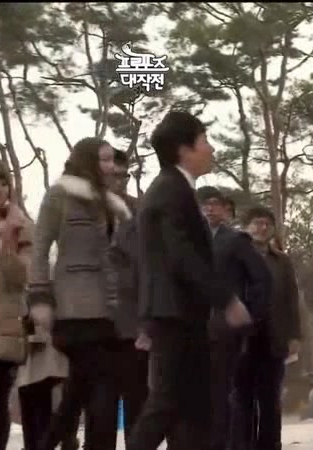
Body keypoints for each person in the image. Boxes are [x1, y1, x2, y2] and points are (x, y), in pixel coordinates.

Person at [128, 111, 251, 450]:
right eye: (204, 141)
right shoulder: (170, 190)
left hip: (182, 313)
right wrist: (225, 299)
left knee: (194, 408)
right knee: (167, 403)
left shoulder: (175, 188)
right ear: (185, 150)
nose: (211, 149)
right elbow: (181, 255)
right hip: (173, 314)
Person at [26, 137, 132, 450]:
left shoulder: (111, 203)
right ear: (86, 161)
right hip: (73, 307)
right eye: (104, 160)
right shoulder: (59, 195)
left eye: (112, 160)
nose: (110, 166)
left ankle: (47, 444)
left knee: (80, 389)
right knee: (101, 387)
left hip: (109, 309)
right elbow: (40, 249)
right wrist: (40, 296)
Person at [198, 188, 272, 450]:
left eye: (214, 204)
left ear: (225, 209)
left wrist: (250, 315)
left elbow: (262, 279)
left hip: (224, 328)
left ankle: (223, 444)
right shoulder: (188, 239)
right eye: (204, 204)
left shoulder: (236, 241)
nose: (209, 209)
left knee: (222, 391)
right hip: (191, 328)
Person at [229, 205, 301, 450]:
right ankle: (243, 444)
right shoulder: (234, 258)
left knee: (270, 397)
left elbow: (292, 299)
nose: (262, 228)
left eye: (267, 224)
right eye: (257, 223)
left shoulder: (282, 261)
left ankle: (270, 444)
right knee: (242, 396)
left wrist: (294, 335)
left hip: (274, 337)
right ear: (246, 227)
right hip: (243, 337)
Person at [0, 159, 34, 450]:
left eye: (3, 183)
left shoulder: (21, 227)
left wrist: (3, 245)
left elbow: (22, 277)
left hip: (3, 331)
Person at [106, 149, 151, 448]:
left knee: (137, 397)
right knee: (100, 400)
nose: (118, 181)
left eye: (124, 176)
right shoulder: (83, 209)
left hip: (133, 318)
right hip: (93, 317)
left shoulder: (139, 212)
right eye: (113, 175)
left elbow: (148, 266)